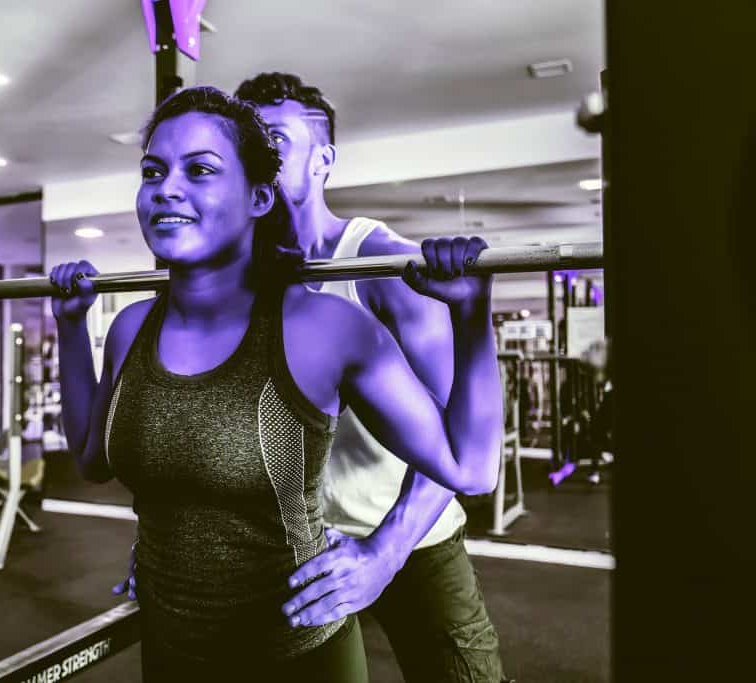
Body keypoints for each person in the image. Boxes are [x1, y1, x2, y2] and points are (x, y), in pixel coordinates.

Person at [52, 86, 503, 681]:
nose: (166, 188)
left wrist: (473, 319)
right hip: (174, 645)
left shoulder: (333, 316)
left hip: (330, 614)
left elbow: (471, 468)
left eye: (202, 169)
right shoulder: (132, 326)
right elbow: (92, 459)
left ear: (260, 194)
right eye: (152, 171)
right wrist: (69, 330)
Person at [232, 72, 508, 682]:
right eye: (247, 143)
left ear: (323, 159)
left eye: (275, 140)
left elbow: (459, 444)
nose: (260, 157)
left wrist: (385, 553)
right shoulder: (246, 282)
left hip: (412, 539)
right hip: (296, 548)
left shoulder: (381, 263)